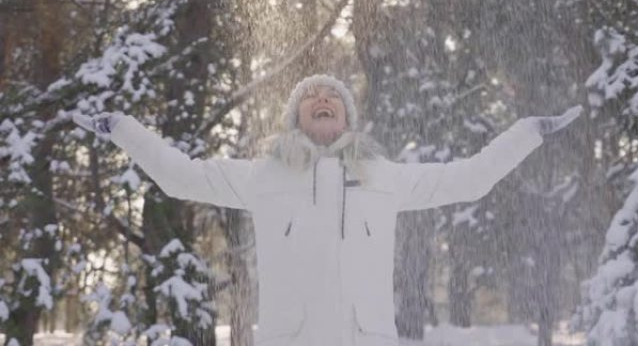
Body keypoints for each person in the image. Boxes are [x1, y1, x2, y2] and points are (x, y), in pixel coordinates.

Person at [74, 74, 582, 346]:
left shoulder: (384, 176)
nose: (321, 99)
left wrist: (528, 132)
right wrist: (122, 128)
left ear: (346, 116)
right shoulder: (261, 177)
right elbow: (180, 176)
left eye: (331, 96)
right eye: (310, 96)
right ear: (295, 118)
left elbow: (469, 179)